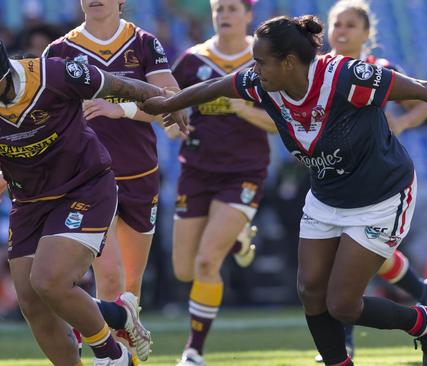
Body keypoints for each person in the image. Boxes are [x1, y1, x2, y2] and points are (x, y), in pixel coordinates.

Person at [141, 15, 427, 366]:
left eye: (260, 61)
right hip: (326, 196)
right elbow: (212, 86)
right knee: (311, 293)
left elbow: (420, 89)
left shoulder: (347, 76)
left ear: (289, 61)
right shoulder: (260, 82)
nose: (252, 69)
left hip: (382, 196)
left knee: (342, 304)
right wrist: (171, 102)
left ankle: (426, 322)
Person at [0, 25, 185, 366]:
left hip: (84, 187)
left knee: (49, 280)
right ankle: (117, 320)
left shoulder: (54, 74)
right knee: (32, 302)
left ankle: (112, 355)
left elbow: (124, 86)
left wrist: (171, 105)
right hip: (28, 201)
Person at [0, 1, 186, 359]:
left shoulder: (143, 42)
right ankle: (107, 352)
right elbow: (37, 123)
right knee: (107, 279)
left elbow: (170, 102)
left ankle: (120, 348)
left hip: (139, 173)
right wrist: (6, 170)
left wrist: (119, 108)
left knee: (129, 292)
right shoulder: (59, 51)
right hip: (85, 182)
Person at [316, 0, 427, 361]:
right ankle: (422, 291)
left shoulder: (381, 69)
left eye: (350, 25)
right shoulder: (317, 72)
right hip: (331, 174)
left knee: (345, 259)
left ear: (367, 34)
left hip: (374, 177)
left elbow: (422, 104)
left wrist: (399, 122)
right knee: (351, 257)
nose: (341, 31)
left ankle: (346, 340)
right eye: (336, 24)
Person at [168, 0, 275, 364]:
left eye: (233, 8)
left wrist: (244, 109)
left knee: (205, 263)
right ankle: (237, 239)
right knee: (183, 269)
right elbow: (169, 109)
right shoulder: (191, 60)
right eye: (219, 8)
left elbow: (284, 122)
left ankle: (194, 350)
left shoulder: (265, 60)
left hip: (243, 172)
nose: (225, 15)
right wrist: (171, 125)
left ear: (248, 15)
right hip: (196, 171)